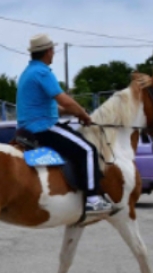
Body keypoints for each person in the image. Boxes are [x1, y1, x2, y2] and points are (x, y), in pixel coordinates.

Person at [16, 34, 113, 214]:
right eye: (53, 50)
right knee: (88, 149)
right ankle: (92, 199)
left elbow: (55, 107)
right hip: (42, 128)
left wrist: (71, 111)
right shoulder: (42, 72)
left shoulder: (27, 73)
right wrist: (83, 114)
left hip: (28, 127)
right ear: (48, 51)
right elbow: (65, 100)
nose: (53, 53)